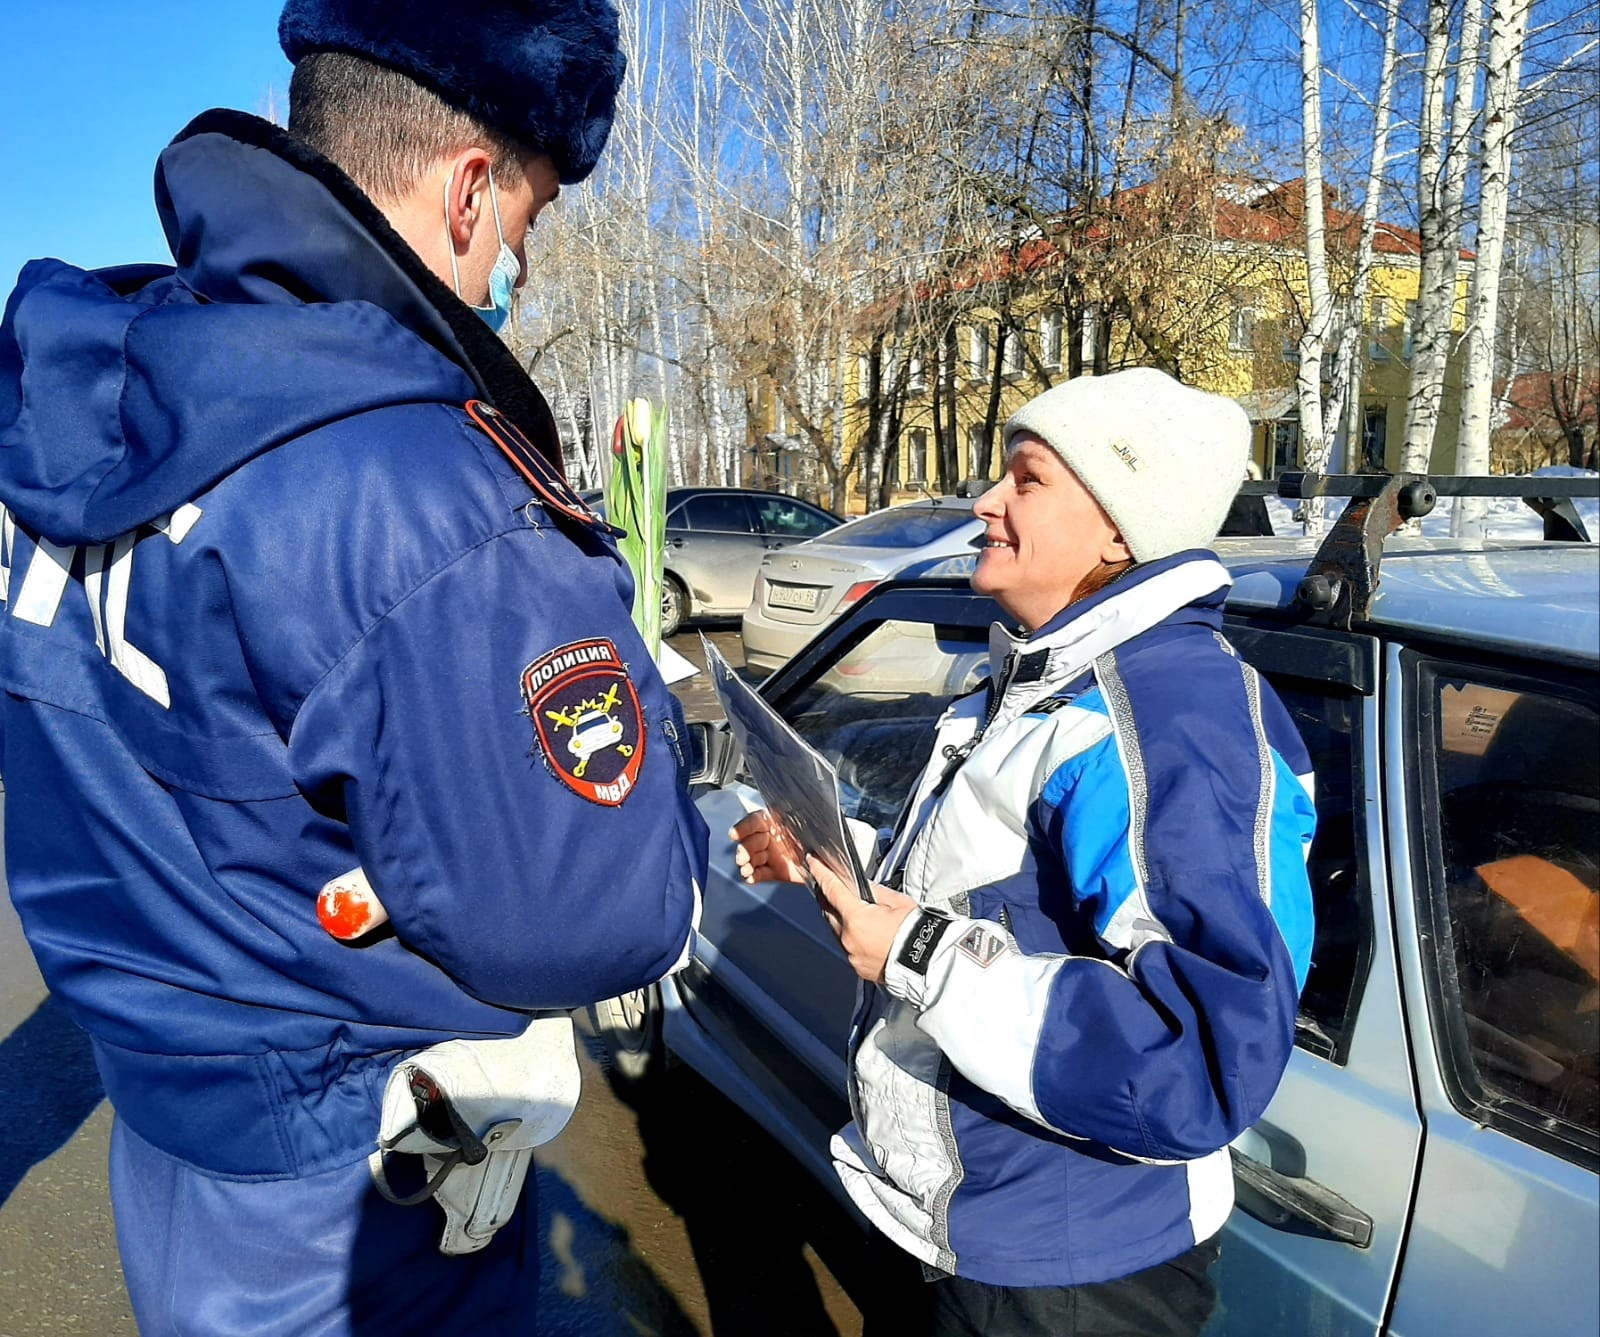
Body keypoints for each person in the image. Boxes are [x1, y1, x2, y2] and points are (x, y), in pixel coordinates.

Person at [0, 2, 705, 1331]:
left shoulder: (103, 398)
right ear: (469, 185)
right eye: (529, 224)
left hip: (170, 1120)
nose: (519, 270)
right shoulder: (426, 494)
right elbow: (602, 913)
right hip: (352, 1177)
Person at [734, 367, 1317, 1337]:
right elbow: (993, 894)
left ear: (1118, 529)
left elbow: (1204, 1058)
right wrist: (840, 857)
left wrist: (914, 956)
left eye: (1027, 478)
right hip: (969, 1229)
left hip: (1074, 1276)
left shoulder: (1168, 719)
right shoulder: (1040, 678)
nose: (984, 500)